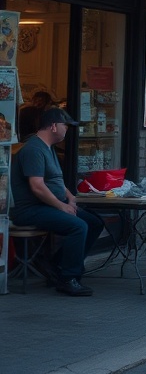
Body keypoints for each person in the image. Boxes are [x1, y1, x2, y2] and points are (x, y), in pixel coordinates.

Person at [10, 107, 105, 297]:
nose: (67, 130)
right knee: (78, 226)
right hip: (30, 209)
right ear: (53, 126)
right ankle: (68, 278)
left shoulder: (48, 148)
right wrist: (61, 205)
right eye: (65, 126)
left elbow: (55, 181)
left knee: (95, 223)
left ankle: (56, 265)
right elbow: (37, 186)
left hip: (48, 205)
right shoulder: (33, 149)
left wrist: (70, 197)